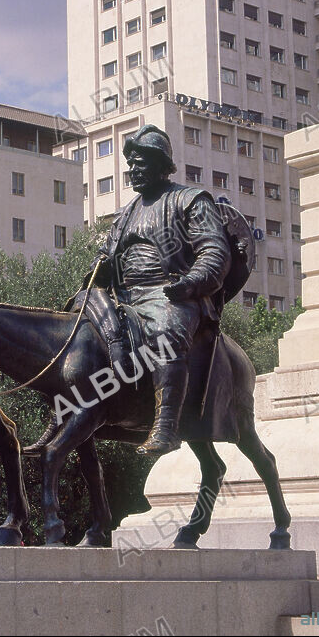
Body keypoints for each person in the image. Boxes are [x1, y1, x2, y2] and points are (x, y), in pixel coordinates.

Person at [87, 125, 231, 456]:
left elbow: (214, 251)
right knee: (77, 319)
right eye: (130, 164)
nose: (132, 171)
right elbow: (105, 254)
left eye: (140, 163)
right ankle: (66, 412)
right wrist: (98, 270)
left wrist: (191, 283)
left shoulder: (190, 199)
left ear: (161, 164)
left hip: (169, 292)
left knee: (167, 330)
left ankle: (166, 427)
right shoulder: (124, 215)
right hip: (124, 297)